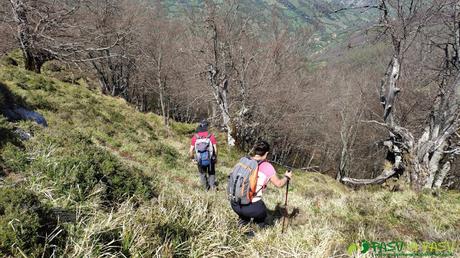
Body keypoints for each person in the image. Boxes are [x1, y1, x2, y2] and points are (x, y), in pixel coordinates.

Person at [230, 140, 292, 228]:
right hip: (251, 207)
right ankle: (254, 232)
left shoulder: (244, 161)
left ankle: (242, 223)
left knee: (245, 217)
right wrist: (287, 177)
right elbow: (279, 184)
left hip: (235, 203)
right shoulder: (267, 166)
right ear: (266, 153)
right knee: (262, 216)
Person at [189, 120, 218, 190]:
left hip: (200, 159)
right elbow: (215, 149)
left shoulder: (195, 137)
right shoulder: (211, 136)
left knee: (202, 173)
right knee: (211, 173)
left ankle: (205, 188)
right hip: (210, 159)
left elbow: (190, 151)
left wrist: (192, 159)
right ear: (206, 127)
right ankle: (212, 188)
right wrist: (215, 157)